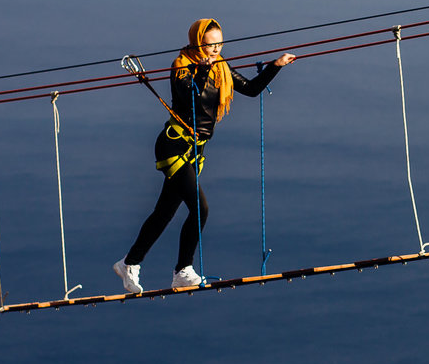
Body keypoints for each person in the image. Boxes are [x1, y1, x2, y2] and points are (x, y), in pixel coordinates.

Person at [114, 18, 295, 292]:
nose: (216, 49)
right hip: (174, 145)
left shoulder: (221, 68)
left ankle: (130, 263)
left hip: (195, 151)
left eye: (220, 43)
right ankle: (182, 269)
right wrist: (200, 72)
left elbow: (251, 88)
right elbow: (188, 97)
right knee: (200, 208)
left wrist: (275, 66)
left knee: (163, 213)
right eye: (210, 44)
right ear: (198, 42)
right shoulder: (182, 66)